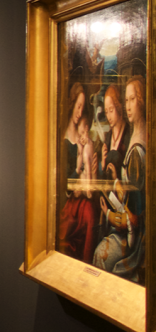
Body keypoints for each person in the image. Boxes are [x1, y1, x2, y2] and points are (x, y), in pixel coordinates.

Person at [94, 77, 146, 283]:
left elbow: (133, 217)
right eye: (126, 100)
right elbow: (129, 194)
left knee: (100, 255)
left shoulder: (134, 146)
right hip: (124, 216)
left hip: (135, 237)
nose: (129, 106)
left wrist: (108, 214)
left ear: (142, 101)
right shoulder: (133, 137)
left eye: (133, 99)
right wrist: (114, 180)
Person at [58, 82, 98, 262]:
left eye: (82, 107)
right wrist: (77, 171)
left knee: (91, 213)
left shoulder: (83, 134)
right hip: (69, 202)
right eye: (78, 106)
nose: (80, 112)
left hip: (83, 197)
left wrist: (95, 168)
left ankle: (88, 264)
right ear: (71, 104)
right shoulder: (63, 138)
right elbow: (63, 180)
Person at [100, 84, 130, 178]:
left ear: (118, 107)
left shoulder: (127, 134)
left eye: (111, 110)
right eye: (106, 112)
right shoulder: (108, 136)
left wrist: (116, 178)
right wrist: (103, 164)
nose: (108, 116)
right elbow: (104, 176)